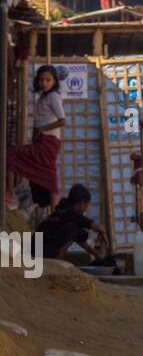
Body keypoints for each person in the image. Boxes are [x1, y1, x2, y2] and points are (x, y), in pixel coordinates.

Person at [8, 64, 66, 212]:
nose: (44, 83)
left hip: (49, 142)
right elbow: (38, 122)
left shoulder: (53, 96)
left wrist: (42, 130)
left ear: (54, 81)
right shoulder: (42, 97)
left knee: (11, 155)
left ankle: (9, 193)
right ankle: (10, 193)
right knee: (49, 176)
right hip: (42, 141)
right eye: (41, 80)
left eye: (48, 80)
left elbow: (62, 121)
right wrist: (36, 136)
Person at [38, 184, 111, 263]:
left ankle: (55, 262)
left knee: (73, 231)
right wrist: (104, 234)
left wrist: (97, 255)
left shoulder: (63, 212)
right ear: (82, 202)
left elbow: (81, 241)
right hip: (40, 251)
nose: (86, 209)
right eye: (87, 205)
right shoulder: (70, 214)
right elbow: (99, 228)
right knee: (71, 229)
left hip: (37, 248)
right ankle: (56, 263)